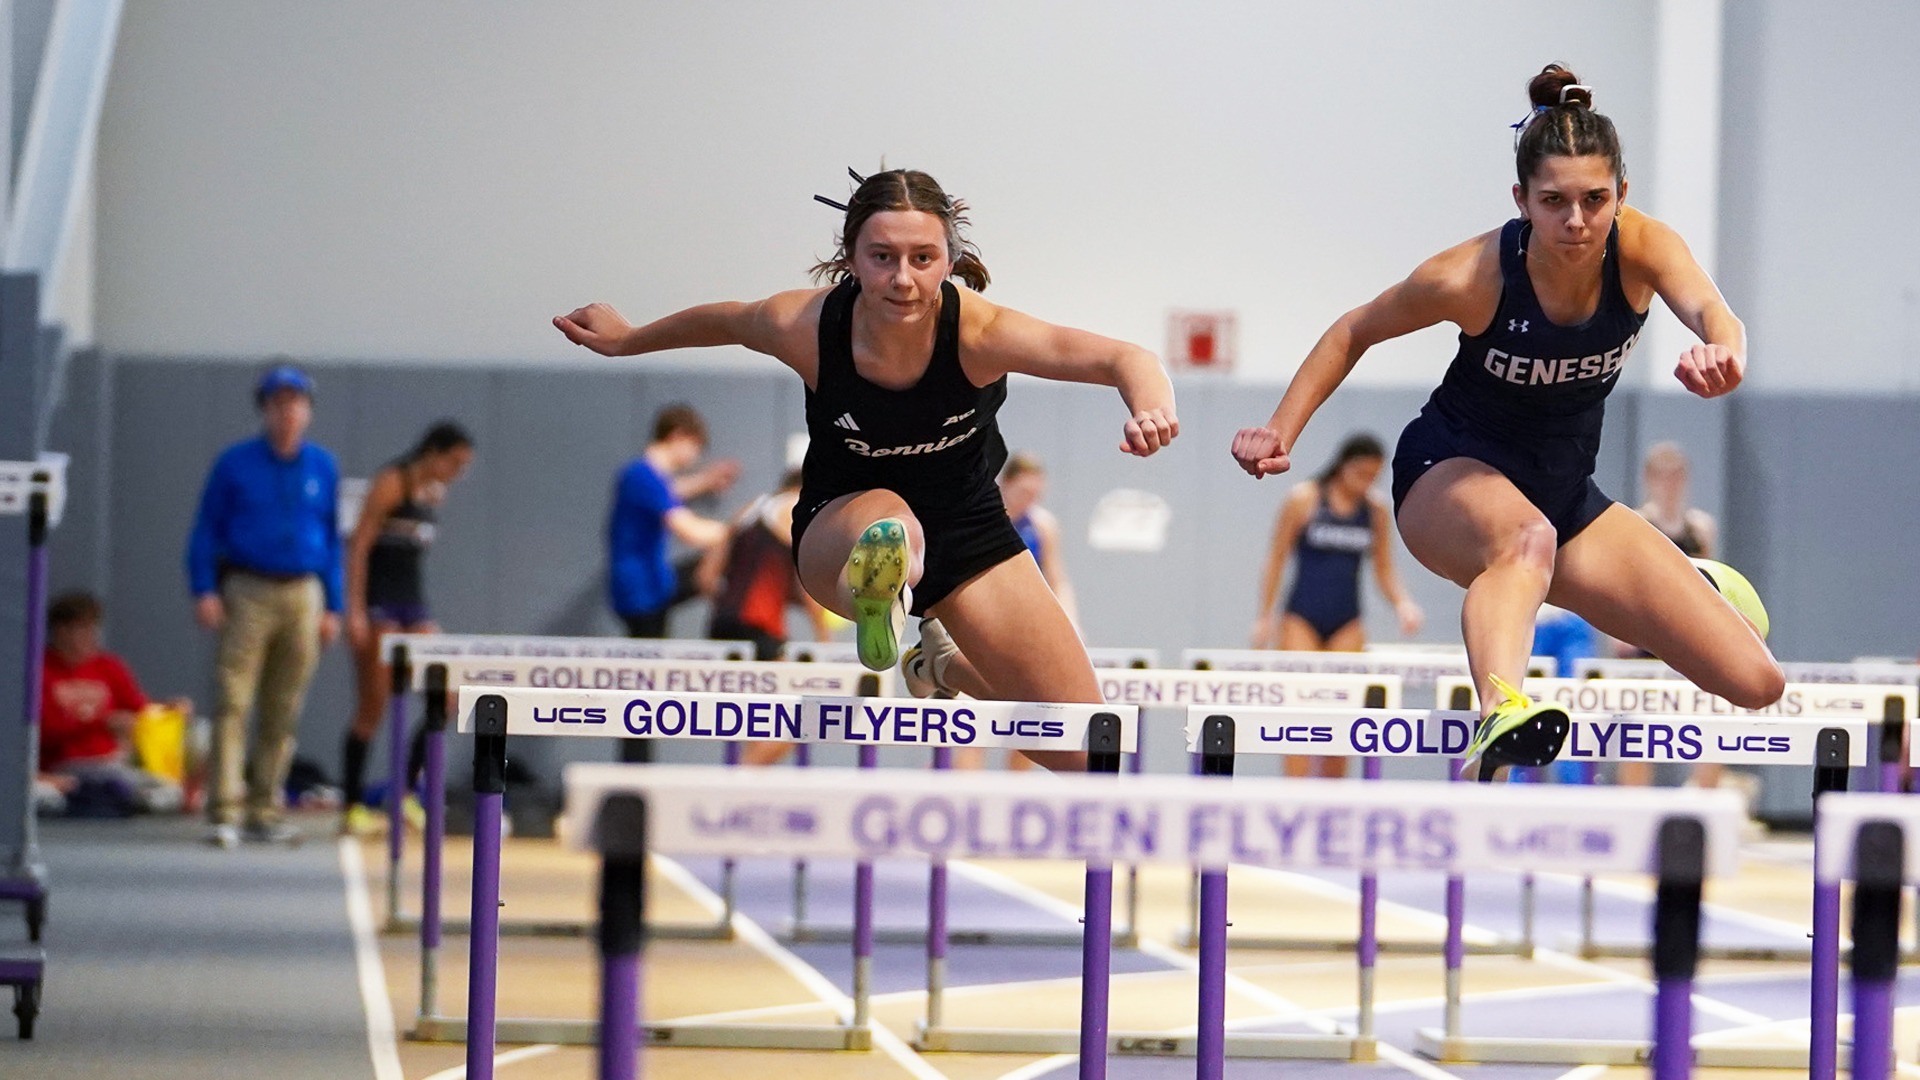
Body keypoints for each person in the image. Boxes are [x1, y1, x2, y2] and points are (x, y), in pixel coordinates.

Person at [1230, 65, 1783, 779]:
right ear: (1521, 199)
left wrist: (1726, 353)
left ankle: (1693, 578)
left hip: (1565, 499)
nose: (1576, 221)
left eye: (1595, 199)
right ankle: (1500, 713)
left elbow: (1714, 313)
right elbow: (1353, 329)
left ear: (1623, 194)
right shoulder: (1471, 275)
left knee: (1755, 681)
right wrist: (1282, 429)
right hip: (1448, 475)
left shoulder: (1645, 247)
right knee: (1525, 541)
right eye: (1554, 202)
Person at [557, 168, 1177, 772]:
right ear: (851, 257)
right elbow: (725, 319)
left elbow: (1126, 358)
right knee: (895, 524)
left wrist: (1151, 407)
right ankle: (888, 584)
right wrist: (628, 338)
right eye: (881, 257)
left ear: (950, 259)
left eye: (923, 258)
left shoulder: (982, 331)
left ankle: (939, 666)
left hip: (967, 531)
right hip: (845, 525)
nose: (902, 279)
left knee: (1086, 750)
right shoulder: (804, 326)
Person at [186, 363, 342, 845]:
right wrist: (204, 588)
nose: (288, 413)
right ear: (265, 410)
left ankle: (264, 806)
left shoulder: (322, 466)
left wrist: (333, 604)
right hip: (248, 588)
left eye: (296, 403)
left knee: (285, 703)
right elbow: (205, 530)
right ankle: (224, 810)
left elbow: (333, 538)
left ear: (308, 411)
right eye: (278, 404)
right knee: (233, 699)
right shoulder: (235, 463)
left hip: (303, 591)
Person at [1250, 433, 1423, 778]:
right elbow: (1276, 559)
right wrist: (1265, 616)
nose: (1366, 483)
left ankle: (1333, 800)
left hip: (1347, 621)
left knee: (1341, 719)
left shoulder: (1374, 511)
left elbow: (1384, 568)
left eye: (1374, 477)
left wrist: (1403, 603)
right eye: (1361, 474)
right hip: (1301, 618)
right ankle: (1295, 795)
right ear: (1344, 467)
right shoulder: (1304, 500)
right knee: (1298, 715)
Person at [338, 420, 476, 836]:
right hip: (380, 604)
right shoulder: (391, 482)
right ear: (433, 452)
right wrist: (356, 610)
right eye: (454, 462)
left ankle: (405, 793)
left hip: (414, 605)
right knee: (374, 705)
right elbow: (360, 545)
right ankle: (351, 805)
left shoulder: (435, 493)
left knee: (447, 696)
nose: (458, 472)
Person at [1619, 441, 1729, 791]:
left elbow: (1710, 584)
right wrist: (1619, 633)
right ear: (1649, 479)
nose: (1669, 483)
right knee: (1638, 736)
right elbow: (1626, 580)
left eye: (1676, 476)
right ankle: (1632, 808)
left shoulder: (1701, 528)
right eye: (1661, 476)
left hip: (1690, 640)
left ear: (1685, 479)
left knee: (1712, 725)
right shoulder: (1637, 521)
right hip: (1646, 643)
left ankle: (1704, 805)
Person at [39, 592, 186, 815]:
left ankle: (110, 797)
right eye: (82, 629)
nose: (90, 637)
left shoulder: (109, 666)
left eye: (92, 629)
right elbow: (44, 729)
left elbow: (141, 709)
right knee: (52, 795)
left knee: (170, 791)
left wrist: (168, 709)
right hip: (64, 764)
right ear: (61, 631)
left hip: (111, 763)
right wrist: (101, 723)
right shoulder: (42, 670)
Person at [608, 404, 739, 638]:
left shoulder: (643, 477)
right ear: (678, 436)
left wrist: (707, 480)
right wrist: (737, 532)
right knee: (649, 662)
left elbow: (670, 491)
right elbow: (689, 530)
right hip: (644, 589)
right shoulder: (644, 476)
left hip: (645, 585)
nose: (695, 455)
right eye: (695, 446)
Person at [696, 468, 830, 661]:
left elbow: (705, 577)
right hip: (761, 626)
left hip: (721, 623)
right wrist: (824, 639)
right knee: (783, 684)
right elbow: (807, 586)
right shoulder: (796, 511)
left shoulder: (748, 511)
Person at [998, 453, 1078, 626]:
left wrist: (1071, 622)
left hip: (1027, 609)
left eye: (1035, 495)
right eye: (1024, 492)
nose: (1028, 501)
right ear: (1006, 483)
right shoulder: (987, 522)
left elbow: (1057, 579)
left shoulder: (1043, 525)